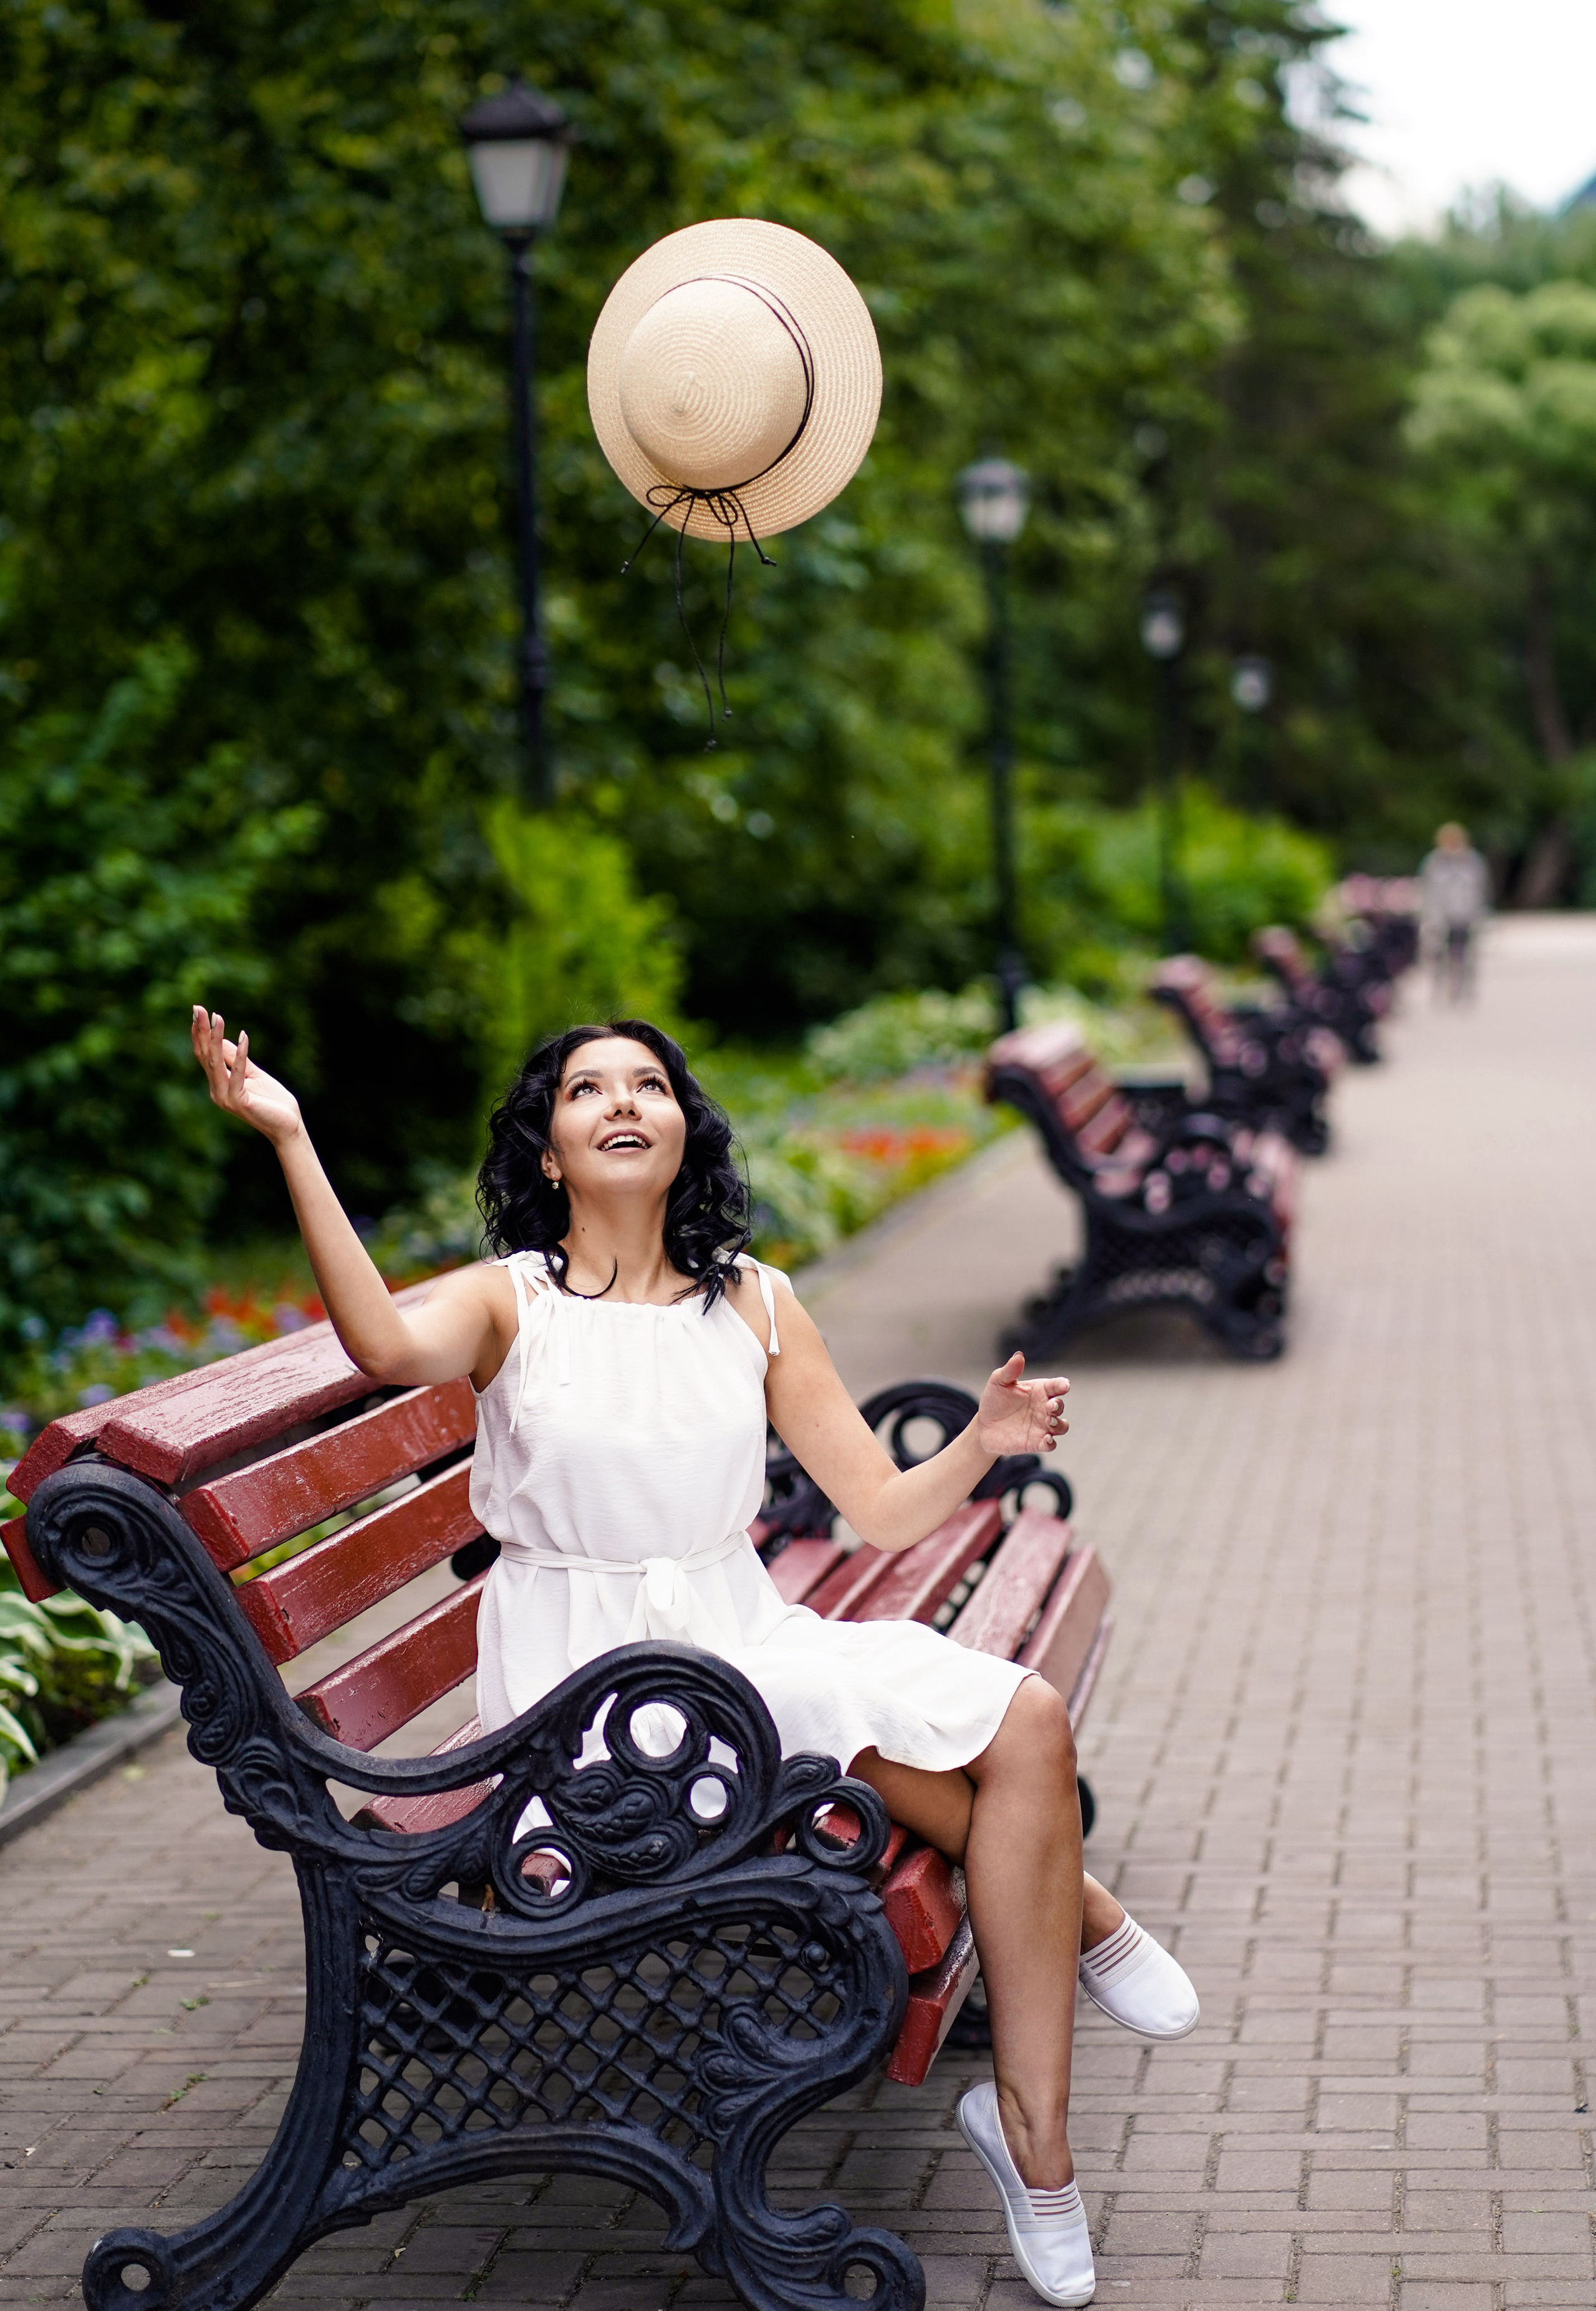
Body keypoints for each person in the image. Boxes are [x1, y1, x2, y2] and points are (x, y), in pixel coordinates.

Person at [191, 1008, 1200, 2310]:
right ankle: (1079, 1916)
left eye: (648, 1084)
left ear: (680, 1132)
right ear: (548, 1150)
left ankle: (1034, 2143)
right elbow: (383, 1347)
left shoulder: (756, 1303)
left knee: (1026, 1719)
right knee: (847, 1718)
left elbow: (879, 1510)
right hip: (589, 1688)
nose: (621, 1101)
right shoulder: (510, 1302)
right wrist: (289, 1134)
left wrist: (981, 1446)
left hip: (739, 1638)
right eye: (585, 1089)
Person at [1419, 822, 1489, 1002]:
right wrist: (1429, 916)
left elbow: (1481, 889)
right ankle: (1438, 988)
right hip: (1440, 915)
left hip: (1464, 914)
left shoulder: (1472, 861)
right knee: (1439, 955)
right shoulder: (1434, 862)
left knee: (1464, 954)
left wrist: (1480, 914)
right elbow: (1428, 890)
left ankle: (1463, 990)